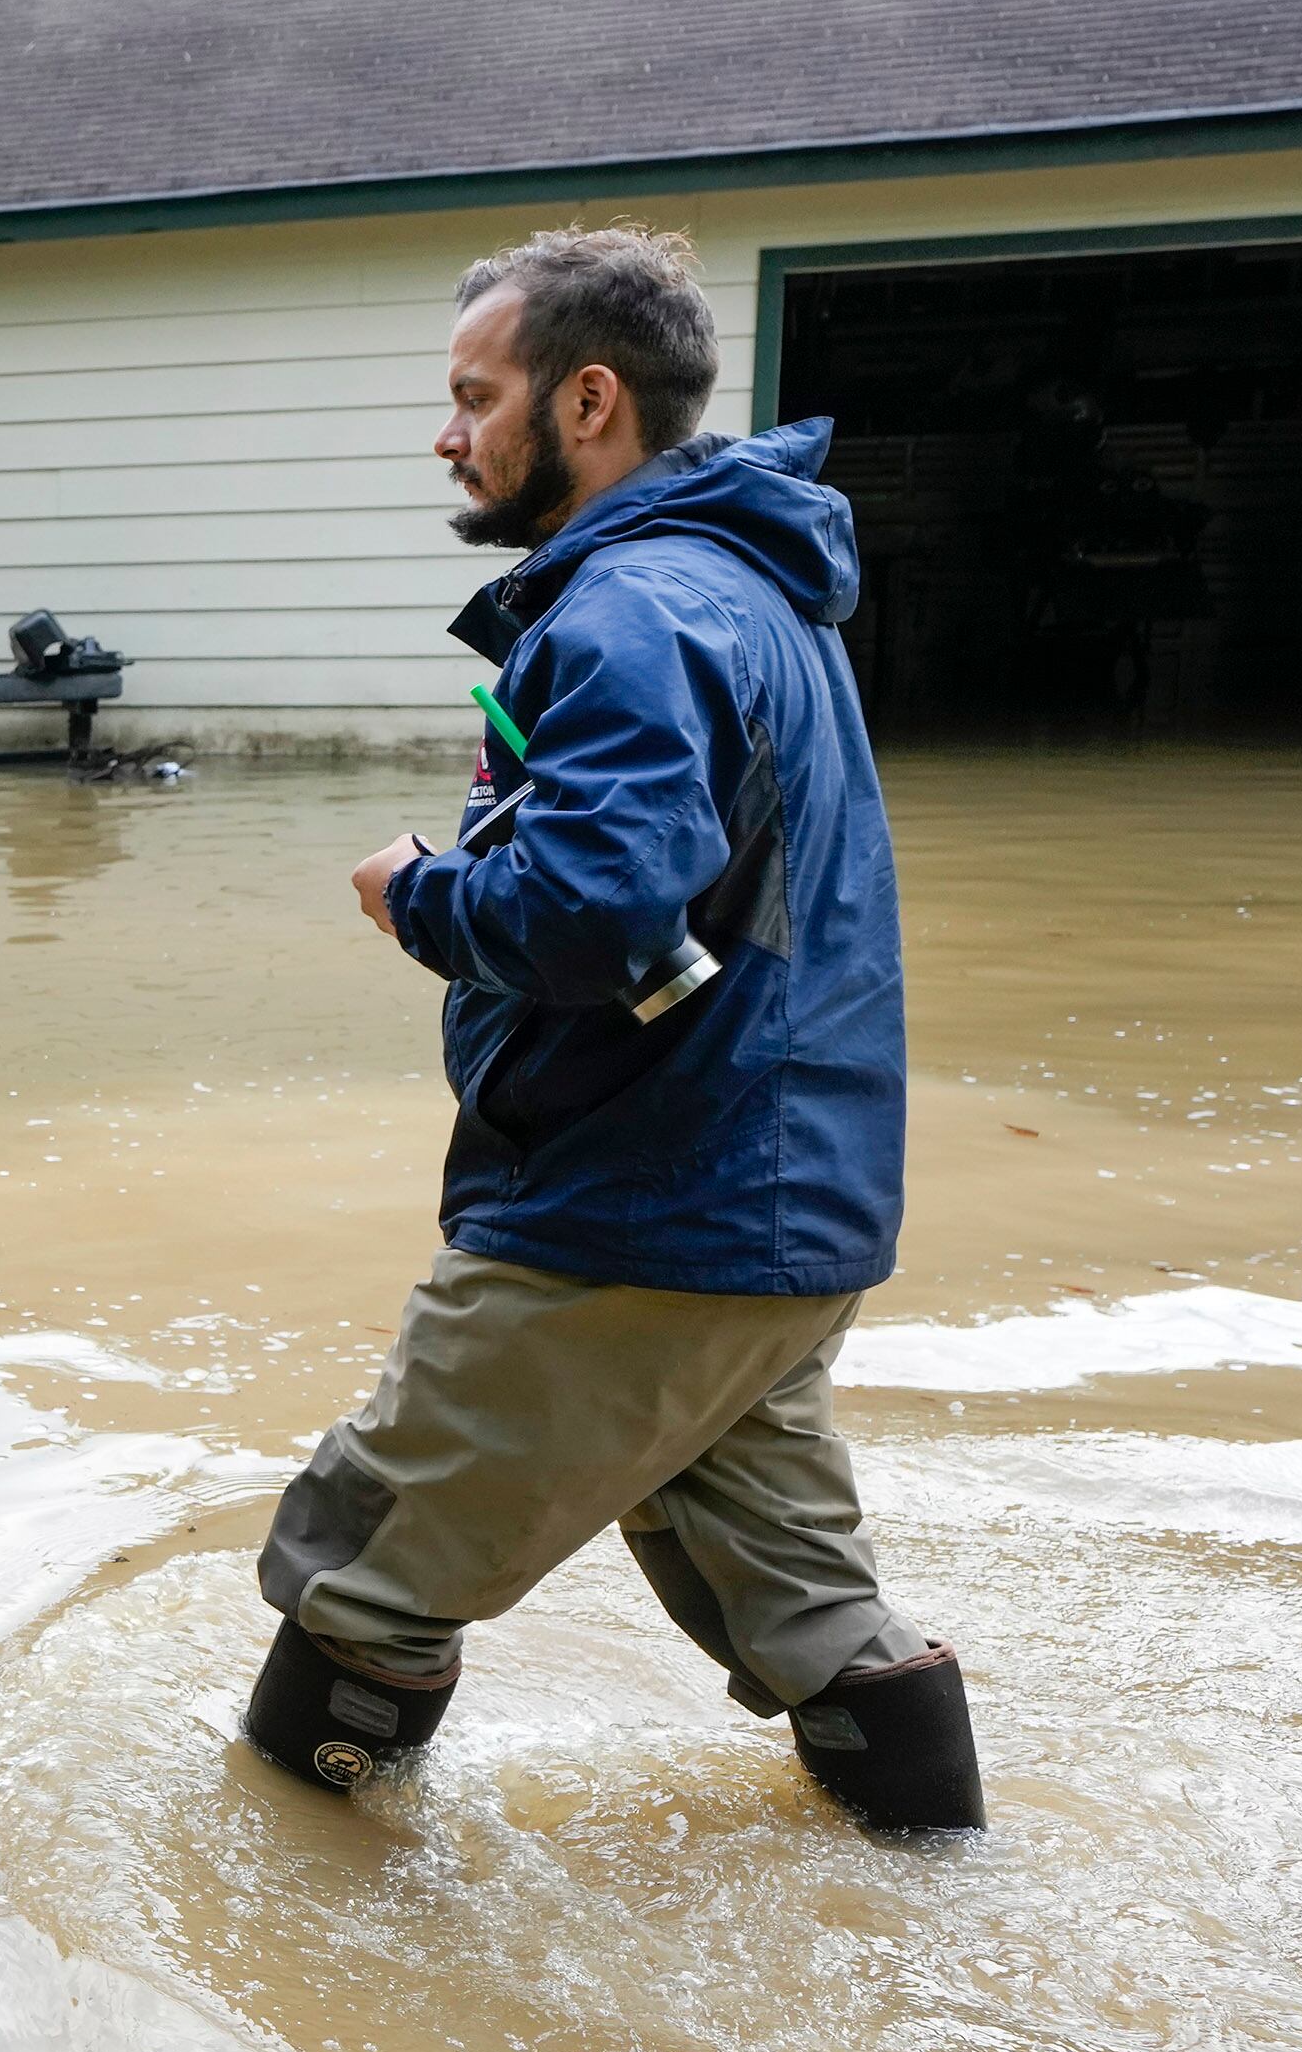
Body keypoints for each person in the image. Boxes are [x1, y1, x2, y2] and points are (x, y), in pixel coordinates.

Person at [244, 224, 982, 1833]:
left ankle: (264, 1944)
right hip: (793, 1217)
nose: (448, 434)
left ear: (586, 402)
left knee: (354, 1570)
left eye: (472, 395)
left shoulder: (630, 612)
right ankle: (952, 1919)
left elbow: (596, 907)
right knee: (809, 1617)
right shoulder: (753, 595)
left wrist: (419, 893)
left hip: (636, 1220)